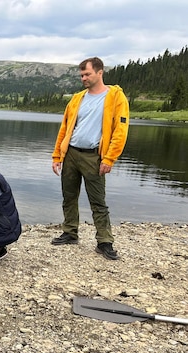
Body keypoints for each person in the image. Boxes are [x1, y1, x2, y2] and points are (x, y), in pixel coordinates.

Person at [51, 57, 129, 260]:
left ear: (99, 72)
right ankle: (70, 232)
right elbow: (65, 128)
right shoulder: (77, 98)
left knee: (98, 201)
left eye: (87, 74)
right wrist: (57, 155)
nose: (84, 78)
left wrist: (109, 158)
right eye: (82, 75)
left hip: (94, 156)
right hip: (71, 154)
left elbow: (121, 130)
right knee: (69, 196)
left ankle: (104, 241)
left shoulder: (115, 97)